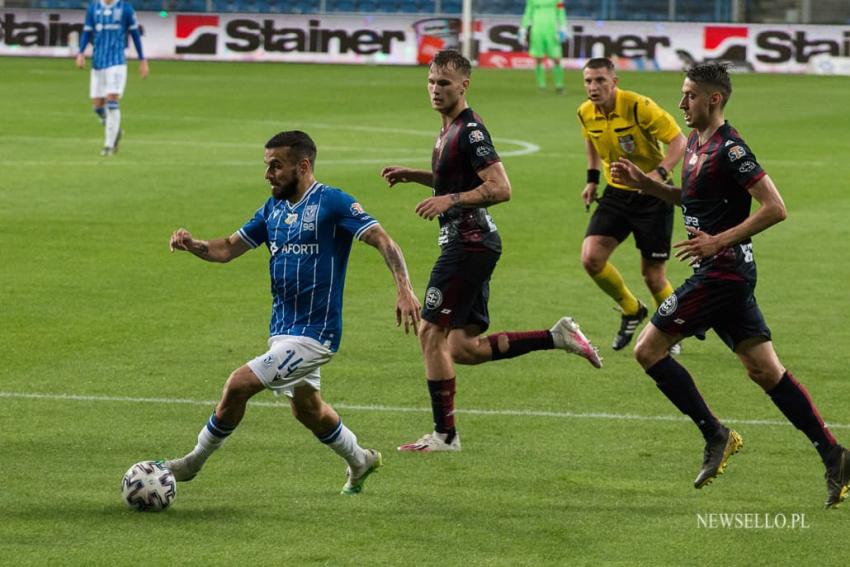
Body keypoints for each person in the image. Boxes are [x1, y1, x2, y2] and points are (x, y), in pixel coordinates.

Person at [610, 62, 850, 508]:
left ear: (713, 99)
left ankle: (715, 434)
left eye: (689, 95)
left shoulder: (731, 149)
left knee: (647, 349)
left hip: (724, 271)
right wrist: (647, 184)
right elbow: (693, 198)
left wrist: (717, 241)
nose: (681, 103)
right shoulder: (697, 145)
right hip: (722, 272)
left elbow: (775, 208)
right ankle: (834, 454)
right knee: (764, 370)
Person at [163, 131, 421, 495]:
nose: (268, 175)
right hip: (283, 329)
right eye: (267, 166)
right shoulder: (272, 210)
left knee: (238, 385)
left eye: (275, 166)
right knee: (307, 409)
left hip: (317, 334)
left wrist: (404, 289)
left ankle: (191, 463)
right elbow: (227, 248)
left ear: (303, 166)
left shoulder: (332, 202)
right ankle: (360, 460)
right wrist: (194, 245)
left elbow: (383, 239)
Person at [381, 50, 602, 453]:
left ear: (463, 86)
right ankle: (557, 337)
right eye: (431, 81)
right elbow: (455, 177)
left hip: (469, 243)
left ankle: (445, 436)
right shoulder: (447, 128)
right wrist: (416, 176)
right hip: (472, 243)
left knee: (430, 331)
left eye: (444, 84)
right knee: (461, 349)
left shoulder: (471, 131)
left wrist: (450, 201)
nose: (434, 90)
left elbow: (500, 188)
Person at [577, 57, 686, 352]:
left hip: (653, 196)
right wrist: (591, 180)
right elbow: (591, 141)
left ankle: (672, 329)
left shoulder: (639, 106)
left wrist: (657, 175)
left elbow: (679, 141)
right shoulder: (585, 112)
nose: (593, 86)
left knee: (653, 276)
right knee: (591, 258)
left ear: (614, 82)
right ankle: (631, 308)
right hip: (616, 193)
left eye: (600, 80)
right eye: (588, 80)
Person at [75, 0, 149, 156]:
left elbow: (135, 34)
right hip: (98, 62)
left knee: (112, 102)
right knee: (97, 106)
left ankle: (109, 146)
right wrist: (81, 53)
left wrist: (142, 60)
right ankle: (116, 131)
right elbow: (87, 32)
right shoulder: (93, 8)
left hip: (117, 62)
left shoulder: (126, 9)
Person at [519, 0, 568, 93]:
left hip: (552, 30)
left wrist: (563, 26)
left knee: (556, 58)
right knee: (538, 58)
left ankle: (559, 85)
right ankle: (541, 85)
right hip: (537, 30)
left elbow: (561, 11)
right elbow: (528, 12)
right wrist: (523, 27)